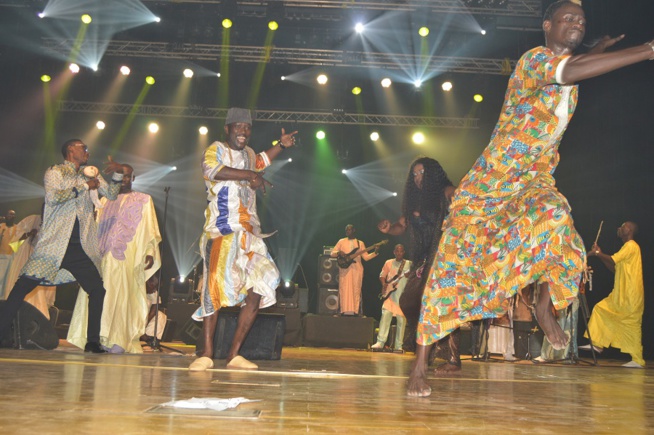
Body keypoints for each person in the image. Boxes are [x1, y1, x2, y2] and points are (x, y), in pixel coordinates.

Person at [407, 1, 654, 396]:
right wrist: (647, 51)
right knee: (451, 264)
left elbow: (573, 70)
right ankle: (419, 363)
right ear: (546, 26)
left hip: (533, 177)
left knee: (557, 218)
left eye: (582, 20)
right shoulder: (534, 60)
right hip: (494, 181)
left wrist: (599, 49)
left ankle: (544, 304)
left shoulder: (567, 70)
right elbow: (568, 70)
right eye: (567, 18)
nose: (576, 22)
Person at [189, 107, 297, 371]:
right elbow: (212, 170)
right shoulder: (215, 149)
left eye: (247, 128)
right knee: (213, 287)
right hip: (221, 229)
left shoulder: (249, 154)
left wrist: (280, 146)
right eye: (238, 127)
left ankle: (234, 355)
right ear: (227, 129)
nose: (243, 132)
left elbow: (260, 161)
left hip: (249, 232)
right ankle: (206, 353)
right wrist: (250, 176)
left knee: (259, 285)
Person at [0, 139, 125, 353]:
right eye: (82, 148)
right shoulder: (55, 171)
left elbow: (111, 194)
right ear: (70, 150)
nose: (87, 151)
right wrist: (85, 186)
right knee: (21, 287)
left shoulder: (91, 172)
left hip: (80, 247)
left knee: (97, 290)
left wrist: (118, 173)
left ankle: (92, 342)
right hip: (53, 245)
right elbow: (53, 197)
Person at [67, 164, 161, 353]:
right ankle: (97, 337)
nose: (124, 180)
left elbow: (150, 230)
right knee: (100, 294)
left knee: (123, 296)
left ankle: (119, 337)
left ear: (133, 178)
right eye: (121, 176)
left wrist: (150, 253)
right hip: (101, 258)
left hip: (127, 257)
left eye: (128, 176)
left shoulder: (144, 199)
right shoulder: (104, 200)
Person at [377, 157, 455, 358]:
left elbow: (461, 214)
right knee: (409, 301)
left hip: (441, 257)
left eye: (421, 173)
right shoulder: (413, 201)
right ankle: (431, 347)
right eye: (414, 174)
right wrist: (388, 229)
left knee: (441, 305)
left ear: (432, 174)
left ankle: (450, 357)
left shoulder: (445, 192)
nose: (418, 178)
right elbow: (401, 226)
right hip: (421, 258)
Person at [582, 221, 644, 368]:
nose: (619, 228)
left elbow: (612, 259)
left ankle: (635, 358)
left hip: (630, 295)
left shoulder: (631, 246)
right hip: (622, 294)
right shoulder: (628, 248)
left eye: (623, 226)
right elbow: (614, 267)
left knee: (628, 323)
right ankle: (600, 345)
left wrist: (597, 253)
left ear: (629, 230)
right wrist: (599, 254)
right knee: (610, 314)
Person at [4, 213, 56, 319]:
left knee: (38, 288)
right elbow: (14, 242)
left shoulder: (53, 222)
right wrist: (29, 234)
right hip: (25, 257)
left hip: (41, 258)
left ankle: (35, 315)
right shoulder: (31, 219)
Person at [330, 224, 379, 316]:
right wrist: (339, 252)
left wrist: (375, 252)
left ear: (354, 230)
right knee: (344, 289)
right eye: (346, 230)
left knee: (356, 289)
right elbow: (332, 253)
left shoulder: (360, 243)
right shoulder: (341, 241)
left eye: (349, 230)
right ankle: (342, 311)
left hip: (357, 269)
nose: (347, 231)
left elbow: (366, 258)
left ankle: (356, 311)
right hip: (345, 269)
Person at [372, 244, 411, 352]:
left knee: (401, 321)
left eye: (401, 251)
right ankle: (380, 342)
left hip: (402, 297)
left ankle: (399, 345)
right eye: (397, 251)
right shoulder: (388, 262)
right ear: (394, 252)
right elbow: (382, 275)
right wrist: (384, 284)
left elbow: (415, 276)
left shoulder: (409, 264)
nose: (399, 253)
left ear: (404, 252)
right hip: (390, 295)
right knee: (385, 316)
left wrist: (410, 275)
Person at [141, 274, 167, 343]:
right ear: (148, 282)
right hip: (134, 317)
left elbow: (154, 309)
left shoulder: (153, 292)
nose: (155, 290)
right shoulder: (137, 288)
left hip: (145, 319)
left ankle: (151, 339)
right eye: (154, 286)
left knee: (160, 315)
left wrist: (145, 324)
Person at [0, 210, 18, 299]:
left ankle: (3, 297)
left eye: (13, 215)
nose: (11, 216)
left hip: (11, 256)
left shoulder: (17, 228)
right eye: (9, 214)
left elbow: (19, 241)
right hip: (1, 255)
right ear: (6, 216)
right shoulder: (1, 226)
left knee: (7, 278)